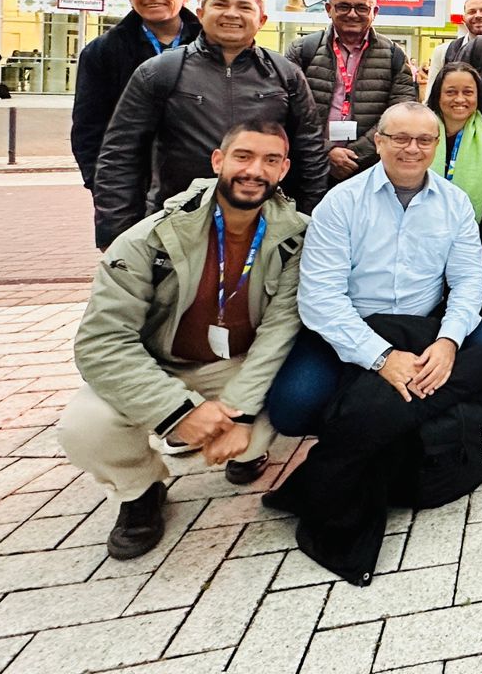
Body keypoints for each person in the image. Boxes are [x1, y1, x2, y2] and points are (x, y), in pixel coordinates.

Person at [58, 122, 306, 558]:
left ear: (283, 170)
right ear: (218, 161)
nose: (255, 171)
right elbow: (101, 343)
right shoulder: (149, 239)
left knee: (297, 397)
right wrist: (177, 412)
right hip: (161, 365)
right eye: (243, 156)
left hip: (237, 365)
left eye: (270, 160)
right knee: (84, 426)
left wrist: (241, 413)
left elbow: (279, 332)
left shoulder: (296, 238)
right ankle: (140, 491)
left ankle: (247, 449)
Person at [267, 102, 482, 438]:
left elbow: (468, 279)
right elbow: (320, 296)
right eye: (400, 138)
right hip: (357, 319)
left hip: (423, 319)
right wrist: (381, 358)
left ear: (436, 144)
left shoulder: (455, 203)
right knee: (291, 409)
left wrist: (448, 341)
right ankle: (388, 402)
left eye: (424, 140)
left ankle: (392, 400)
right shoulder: (340, 203)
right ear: (379, 142)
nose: (412, 148)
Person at [92, 0, 329, 250]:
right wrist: (117, 233)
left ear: (261, 20)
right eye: (221, 5)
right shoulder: (159, 72)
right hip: (177, 224)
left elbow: (310, 152)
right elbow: (120, 155)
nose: (232, 14)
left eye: (244, 7)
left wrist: (308, 223)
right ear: (201, 14)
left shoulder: (286, 74)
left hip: (263, 225)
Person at [71, 0, 202, 190]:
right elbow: (88, 126)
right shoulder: (103, 51)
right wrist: (99, 183)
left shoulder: (212, 45)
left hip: (201, 181)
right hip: (131, 183)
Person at [285, 0, 418, 184]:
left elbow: (400, 114)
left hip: (369, 170)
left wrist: (355, 156)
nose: (352, 14)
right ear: (329, 9)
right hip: (310, 168)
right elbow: (288, 109)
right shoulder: (302, 50)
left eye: (362, 8)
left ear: (374, 12)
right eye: (343, 7)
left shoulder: (394, 56)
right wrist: (327, 150)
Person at [425, 60, 482, 304]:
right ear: (438, 94)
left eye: (468, 92)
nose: (459, 99)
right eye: (451, 92)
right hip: (420, 245)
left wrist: (476, 248)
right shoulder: (421, 130)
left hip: (474, 245)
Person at [425, 0, 482, 94]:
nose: (478, 15)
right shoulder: (443, 52)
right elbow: (432, 95)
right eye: (472, 12)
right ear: (463, 18)